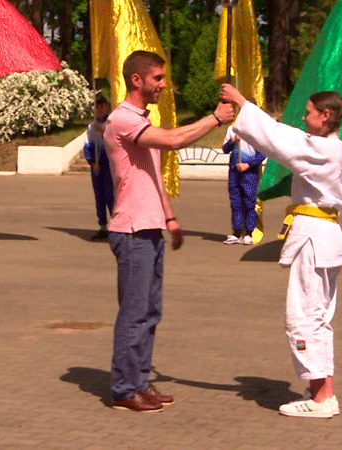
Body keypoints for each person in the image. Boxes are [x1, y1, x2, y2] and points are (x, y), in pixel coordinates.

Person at [103, 50, 235, 413]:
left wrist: (170, 218)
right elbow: (174, 141)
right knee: (133, 314)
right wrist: (215, 118)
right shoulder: (122, 119)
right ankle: (123, 388)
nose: (164, 84)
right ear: (137, 80)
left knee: (150, 312)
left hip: (150, 227)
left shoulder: (141, 119)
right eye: (158, 78)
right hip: (131, 230)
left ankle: (140, 383)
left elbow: (153, 176)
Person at [220, 83, 342, 419]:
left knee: (304, 317)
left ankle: (321, 399)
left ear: (325, 116)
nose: (304, 118)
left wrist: (242, 104)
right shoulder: (335, 149)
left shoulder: (322, 150)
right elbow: (288, 136)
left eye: (308, 113)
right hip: (325, 236)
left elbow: (279, 139)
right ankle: (324, 393)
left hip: (315, 238)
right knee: (318, 317)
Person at [221, 127, 266, 245]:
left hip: (249, 172)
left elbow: (262, 154)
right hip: (234, 170)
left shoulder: (256, 130)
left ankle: (249, 232)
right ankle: (237, 232)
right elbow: (225, 149)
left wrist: (248, 164)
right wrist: (233, 140)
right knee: (235, 201)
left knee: (249, 202)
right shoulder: (232, 129)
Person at [83, 94, 114, 240]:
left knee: (111, 195)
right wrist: (92, 162)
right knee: (99, 195)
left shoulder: (111, 123)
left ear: (107, 106)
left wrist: (102, 131)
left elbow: (115, 141)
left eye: (102, 105)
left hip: (110, 163)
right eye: (97, 105)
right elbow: (87, 145)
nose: (100, 108)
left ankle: (117, 226)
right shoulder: (91, 126)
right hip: (98, 164)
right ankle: (102, 225)